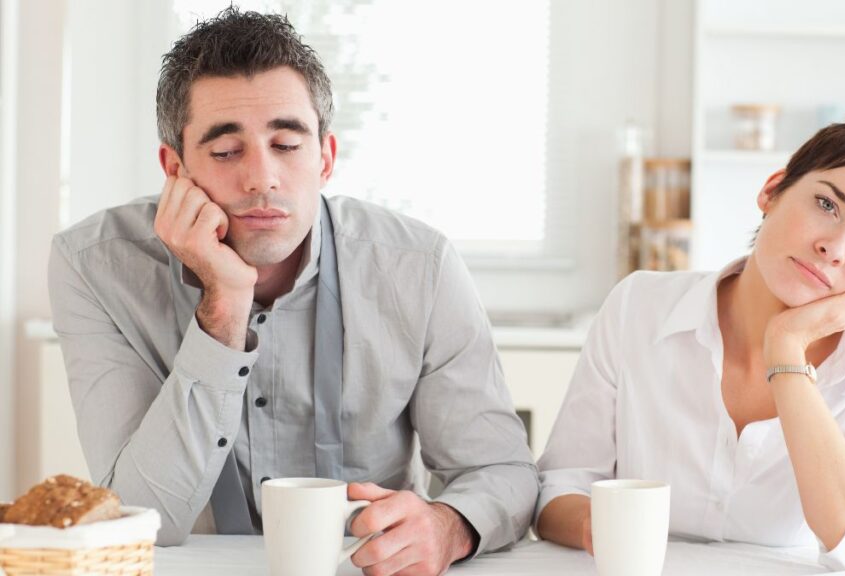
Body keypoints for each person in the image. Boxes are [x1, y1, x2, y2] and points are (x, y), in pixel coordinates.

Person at [47, 7, 538, 575]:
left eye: (286, 144)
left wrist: (448, 526)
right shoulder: (94, 266)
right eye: (227, 152)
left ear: (325, 158)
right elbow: (141, 516)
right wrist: (224, 304)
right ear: (174, 169)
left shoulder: (418, 266)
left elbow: (503, 472)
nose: (263, 178)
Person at [534, 114, 845, 570]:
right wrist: (610, 528)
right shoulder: (639, 307)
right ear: (772, 190)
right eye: (827, 205)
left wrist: (786, 345)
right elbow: (558, 491)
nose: (835, 247)